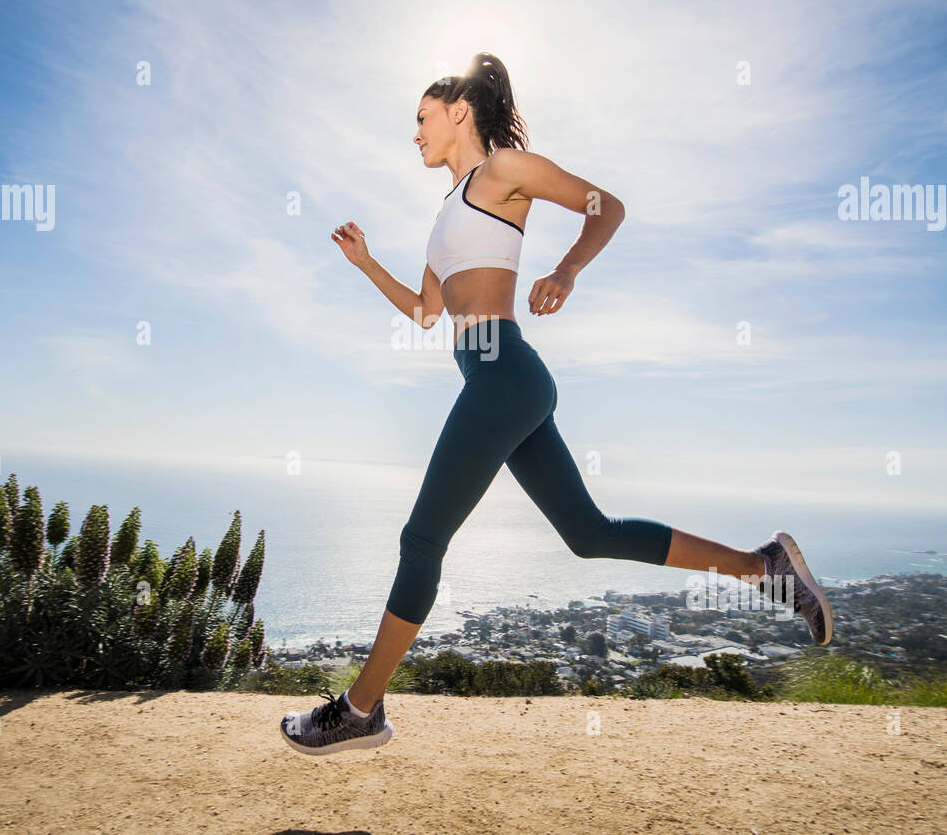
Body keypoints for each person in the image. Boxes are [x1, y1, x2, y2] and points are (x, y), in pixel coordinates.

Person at [280, 52, 833, 756]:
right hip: (499, 381)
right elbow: (424, 312)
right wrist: (366, 266)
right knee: (589, 533)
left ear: (458, 112)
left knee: (422, 541)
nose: (413, 134)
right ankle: (764, 568)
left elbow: (608, 206)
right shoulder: (445, 212)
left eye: (421, 119)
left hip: (503, 376)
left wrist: (567, 268)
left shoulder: (503, 171)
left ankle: (361, 708)